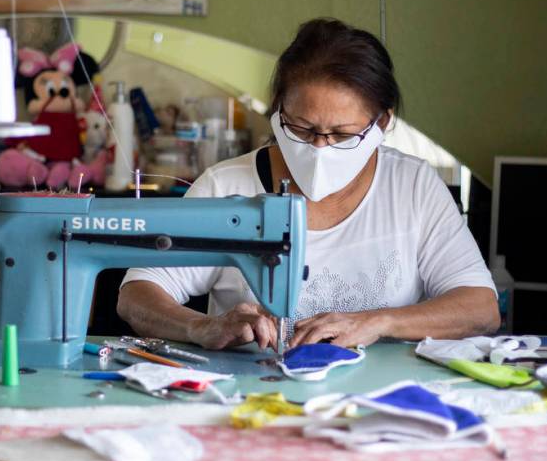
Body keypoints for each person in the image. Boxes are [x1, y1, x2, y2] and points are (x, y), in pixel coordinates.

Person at [117, 18, 499, 351]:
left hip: (384, 402)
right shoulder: (226, 185)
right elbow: (138, 295)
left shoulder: (412, 185)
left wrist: (380, 322)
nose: (319, 147)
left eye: (342, 134)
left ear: (382, 123)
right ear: (278, 107)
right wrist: (202, 326)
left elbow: (481, 308)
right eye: (302, 128)